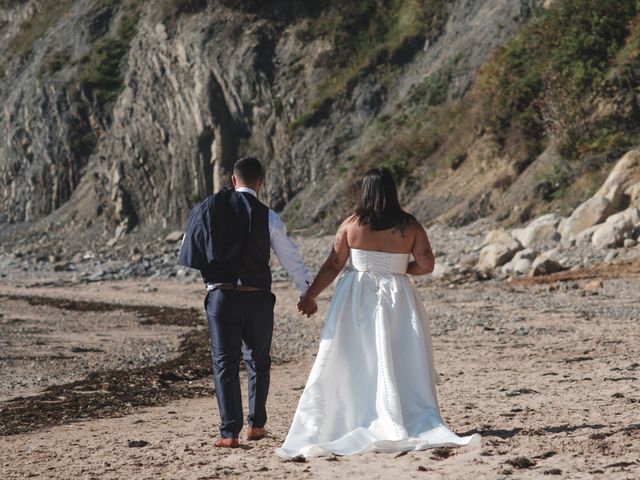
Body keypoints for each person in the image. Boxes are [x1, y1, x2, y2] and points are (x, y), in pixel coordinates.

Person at [277, 167, 480, 458]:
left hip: (357, 296)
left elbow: (335, 264)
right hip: (398, 296)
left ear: (365, 191)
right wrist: (397, 270)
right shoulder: (410, 226)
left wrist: (310, 296)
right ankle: (401, 415)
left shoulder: (351, 224)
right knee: (399, 355)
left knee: (355, 357)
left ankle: (359, 415)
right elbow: (426, 265)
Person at [184, 156, 315, 448]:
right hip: (257, 299)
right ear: (261, 183)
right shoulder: (268, 216)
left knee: (224, 364)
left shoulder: (209, 209)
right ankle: (256, 426)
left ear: (233, 180)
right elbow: (290, 258)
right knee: (259, 361)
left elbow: (190, 245)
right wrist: (306, 292)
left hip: (222, 298)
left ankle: (229, 433)